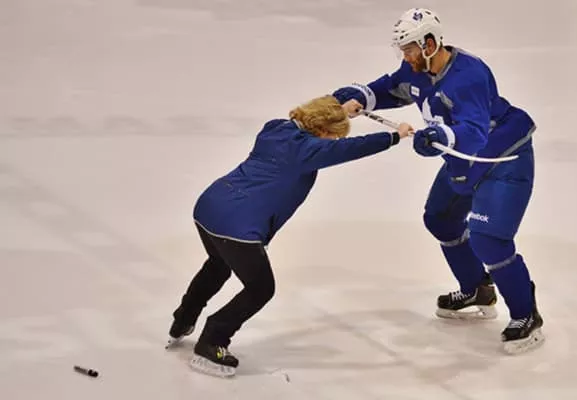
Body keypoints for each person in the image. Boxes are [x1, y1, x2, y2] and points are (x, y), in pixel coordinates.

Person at [333, 8, 543, 354]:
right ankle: (477, 288)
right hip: (465, 156)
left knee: (489, 241)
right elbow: (394, 88)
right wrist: (359, 95)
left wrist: (439, 136)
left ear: (429, 44)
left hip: (501, 158)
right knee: (441, 219)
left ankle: (526, 315)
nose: (406, 57)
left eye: (410, 49)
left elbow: (474, 133)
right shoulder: (418, 67)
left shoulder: (468, 76)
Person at [166, 94, 413, 377]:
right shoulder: (308, 150)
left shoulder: (275, 128)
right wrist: (395, 136)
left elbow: (318, 113)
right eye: (332, 136)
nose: (333, 141)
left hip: (209, 208)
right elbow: (350, 148)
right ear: (323, 131)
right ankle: (212, 341)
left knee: (218, 265)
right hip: (237, 227)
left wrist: (341, 112)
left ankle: (182, 320)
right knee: (260, 289)